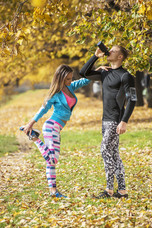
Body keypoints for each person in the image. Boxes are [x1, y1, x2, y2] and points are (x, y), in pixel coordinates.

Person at [20, 64, 90, 198]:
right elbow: (43, 109)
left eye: (71, 78)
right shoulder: (55, 94)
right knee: (53, 160)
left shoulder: (70, 87)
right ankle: (35, 138)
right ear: (60, 78)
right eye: (67, 79)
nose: (70, 81)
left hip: (57, 128)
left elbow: (85, 80)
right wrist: (31, 123)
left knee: (50, 161)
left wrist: (97, 69)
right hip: (51, 127)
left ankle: (53, 192)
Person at [80, 44, 137, 199]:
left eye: (113, 51)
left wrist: (124, 121)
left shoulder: (126, 76)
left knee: (105, 150)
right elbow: (83, 72)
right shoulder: (105, 72)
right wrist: (95, 56)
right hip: (105, 119)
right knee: (113, 153)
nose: (109, 51)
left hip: (115, 119)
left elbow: (132, 100)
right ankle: (122, 191)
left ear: (120, 57)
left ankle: (109, 190)